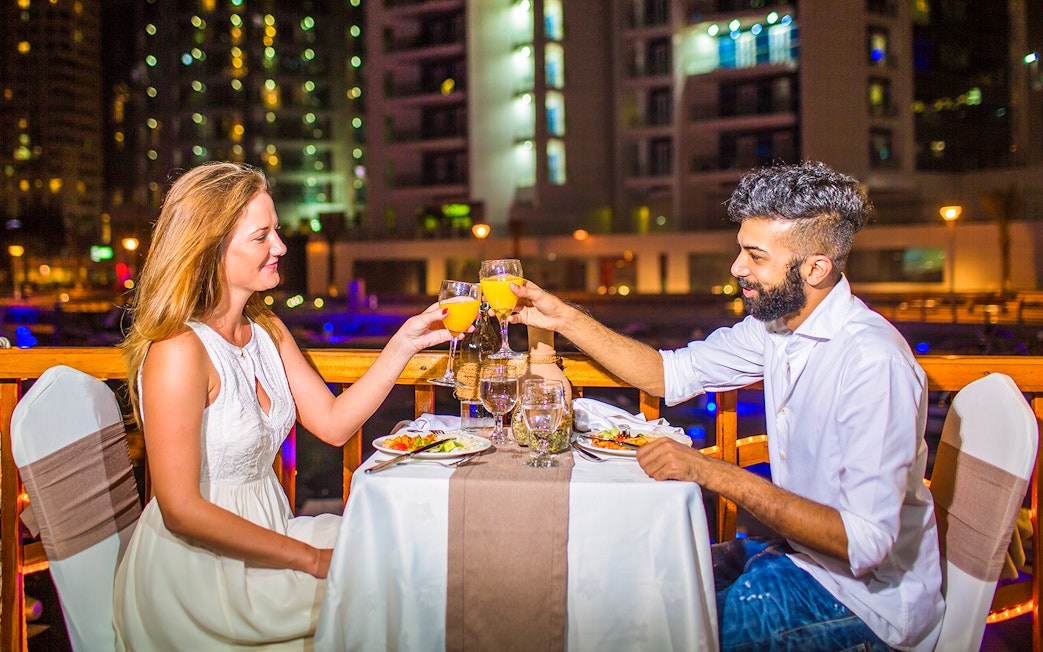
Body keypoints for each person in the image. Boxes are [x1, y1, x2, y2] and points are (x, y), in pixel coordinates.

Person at [509, 161, 943, 651]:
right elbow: (665, 373)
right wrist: (563, 317)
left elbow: (865, 544)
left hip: (869, 605)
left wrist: (711, 471)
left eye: (754, 256)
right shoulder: (777, 328)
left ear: (816, 268)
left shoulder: (872, 362)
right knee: (634, 587)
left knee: (660, 633)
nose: (736, 267)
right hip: (799, 559)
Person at [113, 162, 454, 649]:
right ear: (210, 249)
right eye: (262, 236)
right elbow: (181, 511)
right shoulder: (178, 351)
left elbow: (334, 425)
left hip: (271, 536)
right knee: (384, 592)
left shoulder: (267, 331)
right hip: (201, 573)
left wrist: (403, 344)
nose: (281, 246)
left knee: (406, 553)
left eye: (277, 230)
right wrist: (310, 560)